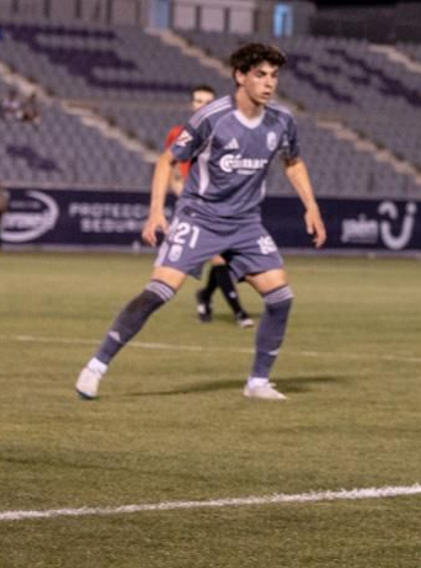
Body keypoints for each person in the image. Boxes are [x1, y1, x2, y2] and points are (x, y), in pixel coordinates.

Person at [75, 44, 325, 401]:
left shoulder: (281, 121)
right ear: (240, 76)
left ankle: (257, 382)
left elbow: (294, 162)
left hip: (245, 223)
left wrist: (311, 207)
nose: (269, 83)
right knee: (158, 292)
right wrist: (156, 212)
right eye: (260, 75)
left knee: (280, 297)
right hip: (200, 217)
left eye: (274, 76)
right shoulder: (212, 117)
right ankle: (96, 366)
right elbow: (167, 160)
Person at [168, 85, 253, 327]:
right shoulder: (179, 133)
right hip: (197, 208)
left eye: (208, 102)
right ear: (192, 104)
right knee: (219, 258)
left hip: (223, 206)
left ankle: (205, 296)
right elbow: (173, 171)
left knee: (226, 259)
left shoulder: (227, 133)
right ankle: (239, 312)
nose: (202, 106)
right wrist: (187, 198)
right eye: (198, 101)